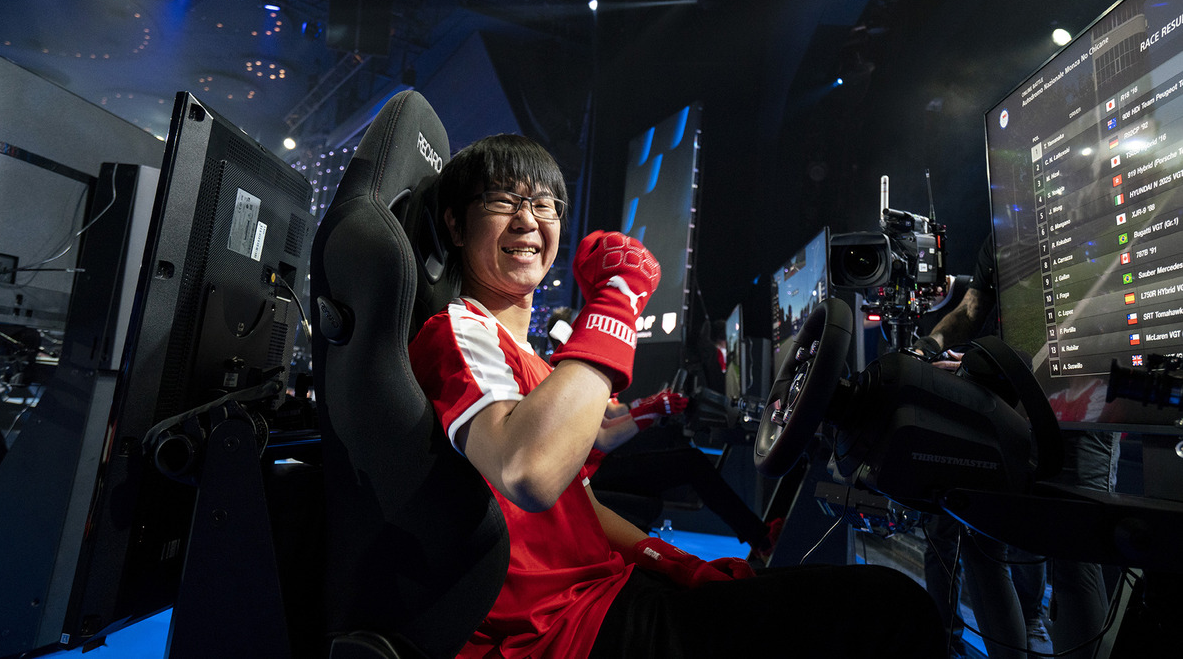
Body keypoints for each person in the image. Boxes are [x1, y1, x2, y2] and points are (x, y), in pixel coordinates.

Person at [409, 133, 944, 658]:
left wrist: (675, 563)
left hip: (602, 593)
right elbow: (530, 471)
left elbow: (583, 508)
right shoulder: (456, 329)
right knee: (893, 609)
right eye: (503, 200)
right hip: (563, 631)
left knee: (872, 601)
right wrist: (617, 298)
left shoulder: (528, 358)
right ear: (456, 224)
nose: (528, 219)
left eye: (544, 204)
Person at [913, 233, 1118, 659]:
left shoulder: (1087, 215)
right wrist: (928, 347)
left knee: (1074, 552)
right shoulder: (999, 234)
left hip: (1079, 394)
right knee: (982, 540)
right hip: (1010, 399)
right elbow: (972, 309)